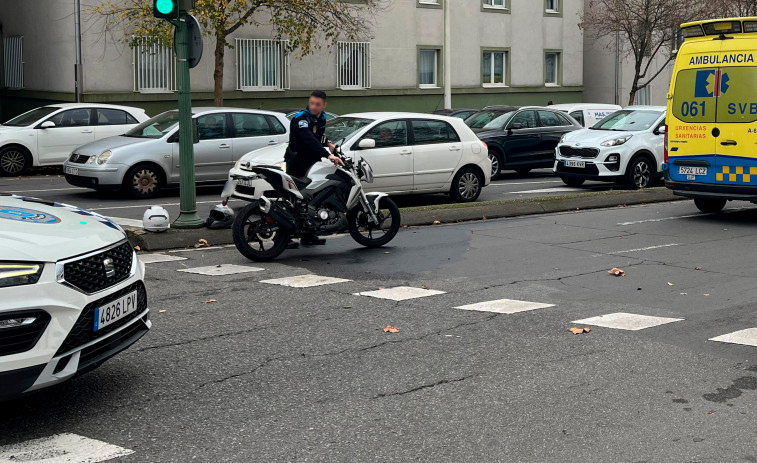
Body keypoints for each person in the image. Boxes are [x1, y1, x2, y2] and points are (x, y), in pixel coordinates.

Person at [284, 90, 343, 247]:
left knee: (310, 197)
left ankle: (308, 235)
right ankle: (283, 237)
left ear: (324, 105)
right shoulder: (301, 118)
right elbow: (308, 139)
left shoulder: (322, 118)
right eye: (312, 103)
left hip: (312, 161)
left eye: (317, 104)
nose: (314, 107)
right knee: (293, 198)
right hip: (297, 161)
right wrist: (327, 154)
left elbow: (318, 136)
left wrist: (329, 144)